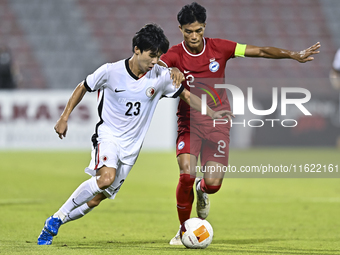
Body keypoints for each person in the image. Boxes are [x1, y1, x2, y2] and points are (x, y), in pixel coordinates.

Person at [37, 23, 233, 245]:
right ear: (137, 49)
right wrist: (64, 117)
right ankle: (58, 216)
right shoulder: (110, 71)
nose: (154, 61)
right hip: (108, 136)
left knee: (96, 200)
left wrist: (212, 111)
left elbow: (187, 96)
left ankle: (52, 224)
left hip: (131, 149)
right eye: (151, 55)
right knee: (105, 178)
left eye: (158, 56)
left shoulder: (160, 75)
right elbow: (83, 86)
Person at [158, 2, 321, 245]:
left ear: (204, 27)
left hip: (219, 122)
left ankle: (203, 191)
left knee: (212, 184)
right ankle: (183, 229)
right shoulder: (173, 54)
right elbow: (155, 65)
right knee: (186, 175)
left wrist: (293, 55)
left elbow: (262, 51)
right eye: (188, 31)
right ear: (180, 28)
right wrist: (167, 70)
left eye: (198, 30)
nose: (194, 36)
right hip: (189, 122)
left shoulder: (220, 48)